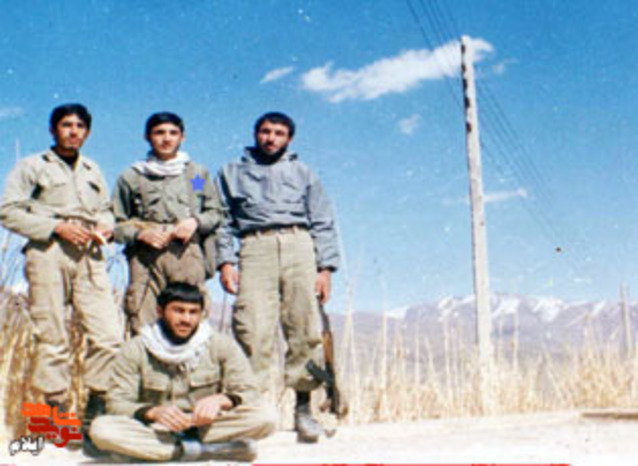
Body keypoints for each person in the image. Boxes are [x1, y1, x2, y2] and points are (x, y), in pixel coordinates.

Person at [216, 112, 340, 443]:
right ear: (255, 133)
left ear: (289, 139)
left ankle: (304, 410)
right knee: (252, 328)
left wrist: (325, 268)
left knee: (304, 327)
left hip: (300, 245)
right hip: (255, 246)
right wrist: (225, 262)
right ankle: (250, 411)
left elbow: (323, 220)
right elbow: (222, 221)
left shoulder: (304, 172)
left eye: (279, 133)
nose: (271, 138)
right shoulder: (230, 172)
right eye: (265, 131)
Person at [0, 103, 122, 430]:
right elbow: (8, 211)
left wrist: (106, 227)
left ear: (88, 132)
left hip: (89, 254)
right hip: (48, 251)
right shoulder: (32, 166)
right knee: (52, 337)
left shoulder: (92, 170)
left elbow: (106, 209)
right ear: (53, 130)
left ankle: (95, 413)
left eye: (80, 126)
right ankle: (54, 420)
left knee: (109, 335)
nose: (73, 131)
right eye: (66, 125)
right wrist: (55, 227)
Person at [89, 282, 277, 462]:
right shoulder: (136, 348)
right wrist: (152, 412)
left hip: (207, 427)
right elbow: (117, 403)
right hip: (158, 430)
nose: (186, 320)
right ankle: (205, 451)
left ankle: (163, 452)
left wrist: (221, 400)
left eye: (193, 312)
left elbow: (249, 392)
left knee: (266, 416)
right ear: (160, 311)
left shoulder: (221, 344)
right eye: (178, 311)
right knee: (102, 429)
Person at [112, 112, 222, 335]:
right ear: (147, 137)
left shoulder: (195, 175)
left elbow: (214, 212)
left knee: (190, 318)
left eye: (173, 133)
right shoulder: (132, 176)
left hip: (186, 252)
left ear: (182, 137)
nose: (166, 138)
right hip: (145, 257)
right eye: (159, 132)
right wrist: (139, 235)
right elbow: (115, 223)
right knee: (142, 319)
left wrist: (195, 222)